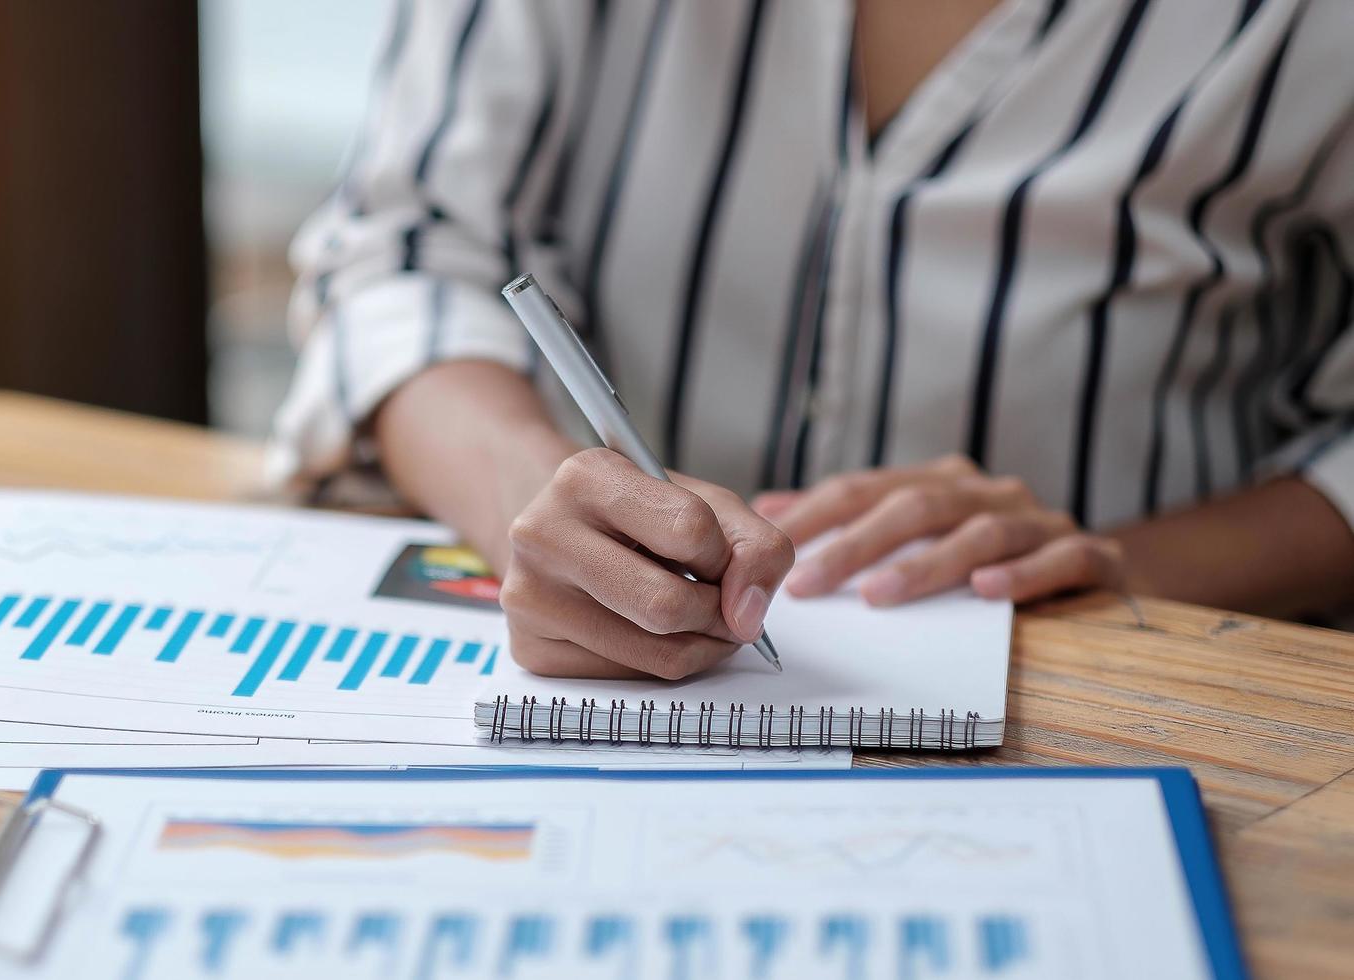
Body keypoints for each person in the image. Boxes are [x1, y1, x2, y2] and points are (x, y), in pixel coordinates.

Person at [271, 0, 1354, 679]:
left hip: (1130, 680)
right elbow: (406, 251)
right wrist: (541, 507)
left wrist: (1117, 568)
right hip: (616, 708)